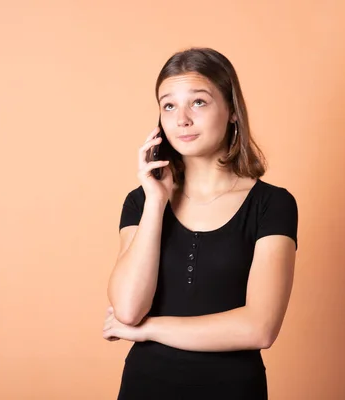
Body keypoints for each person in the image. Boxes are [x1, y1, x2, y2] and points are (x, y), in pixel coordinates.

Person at [102, 47, 298, 400]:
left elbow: (259, 328)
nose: (182, 120)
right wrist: (156, 202)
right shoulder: (141, 202)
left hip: (233, 390)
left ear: (233, 111)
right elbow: (128, 309)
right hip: (145, 388)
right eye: (169, 105)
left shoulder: (272, 205)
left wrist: (149, 330)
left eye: (199, 102)